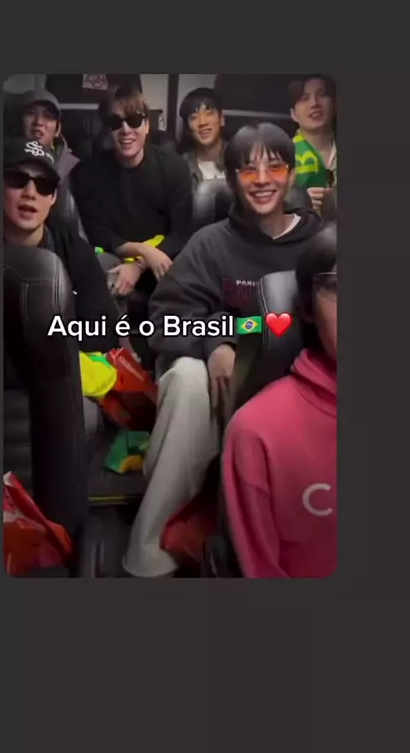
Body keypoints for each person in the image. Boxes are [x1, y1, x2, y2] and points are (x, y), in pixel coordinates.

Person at [123, 123, 321, 578]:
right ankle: (149, 553)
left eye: (275, 167)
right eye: (248, 170)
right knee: (187, 378)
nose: (262, 180)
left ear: (292, 175)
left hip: (299, 390)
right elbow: (166, 318)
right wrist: (216, 343)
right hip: (222, 391)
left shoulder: (320, 246)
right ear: (231, 180)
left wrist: (235, 331)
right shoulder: (210, 243)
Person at [223, 223, 337, 578]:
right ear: (307, 306)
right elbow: (177, 314)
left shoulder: (309, 232)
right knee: (186, 380)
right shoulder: (260, 432)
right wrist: (218, 343)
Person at [3, 137, 119, 433]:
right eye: (18, 180)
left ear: (54, 197)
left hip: (54, 379)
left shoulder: (73, 250)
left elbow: (104, 329)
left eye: (43, 186)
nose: (30, 193)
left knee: (84, 417)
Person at [72, 85, 194, 307]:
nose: (125, 130)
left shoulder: (175, 168)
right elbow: (97, 232)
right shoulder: (86, 173)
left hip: (163, 255)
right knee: (102, 275)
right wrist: (141, 250)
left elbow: (181, 232)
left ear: (147, 125)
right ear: (107, 129)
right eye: (115, 122)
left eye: (134, 120)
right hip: (114, 256)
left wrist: (139, 264)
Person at [18, 89, 86, 237]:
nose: (38, 122)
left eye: (47, 116)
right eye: (30, 113)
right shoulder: (6, 164)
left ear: (57, 129)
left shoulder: (75, 168)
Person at [289, 75, 337, 215]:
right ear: (293, 114)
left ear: (335, 105)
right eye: (304, 98)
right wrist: (299, 201)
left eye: (322, 95)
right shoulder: (284, 157)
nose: (314, 103)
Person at [179, 87, 227, 191]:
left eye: (209, 113)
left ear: (221, 119)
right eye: (194, 117)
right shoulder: (180, 167)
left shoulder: (239, 157)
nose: (202, 122)